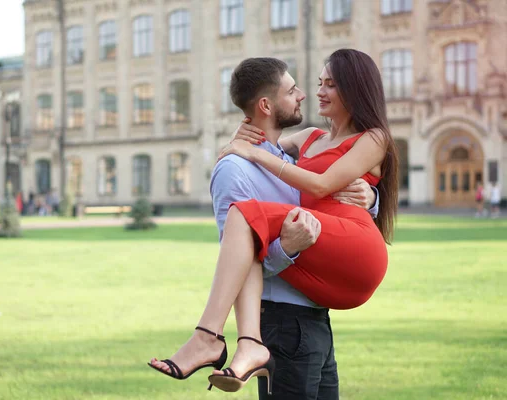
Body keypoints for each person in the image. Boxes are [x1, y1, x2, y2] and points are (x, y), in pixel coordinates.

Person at [149, 50, 398, 397]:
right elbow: (267, 147)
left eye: (331, 84)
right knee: (247, 218)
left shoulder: (372, 138)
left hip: (353, 257)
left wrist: (372, 199)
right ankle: (236, 341)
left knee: (247, 216)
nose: (313, 93)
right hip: (292, 316)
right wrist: (242, 141)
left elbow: (323, 185)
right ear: (266, 105)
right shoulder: (304, 140)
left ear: (354, 89)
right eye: (315, 84)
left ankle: (212, 337)